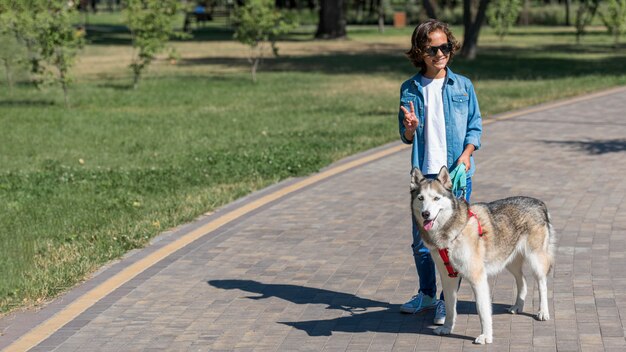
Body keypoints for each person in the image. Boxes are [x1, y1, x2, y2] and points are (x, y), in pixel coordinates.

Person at [397, 19, 482, 325]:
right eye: (432, 48)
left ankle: (448, 300)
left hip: (453, 176)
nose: (440, 53)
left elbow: (475, 126)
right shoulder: (409, 89)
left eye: (444, 46)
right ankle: (427, 294)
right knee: (422, 242)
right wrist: (410, 129)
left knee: (452, 242)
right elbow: (404, 135)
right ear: (420, 51)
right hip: (423, 177)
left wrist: (468, 155)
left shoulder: (463, 85)